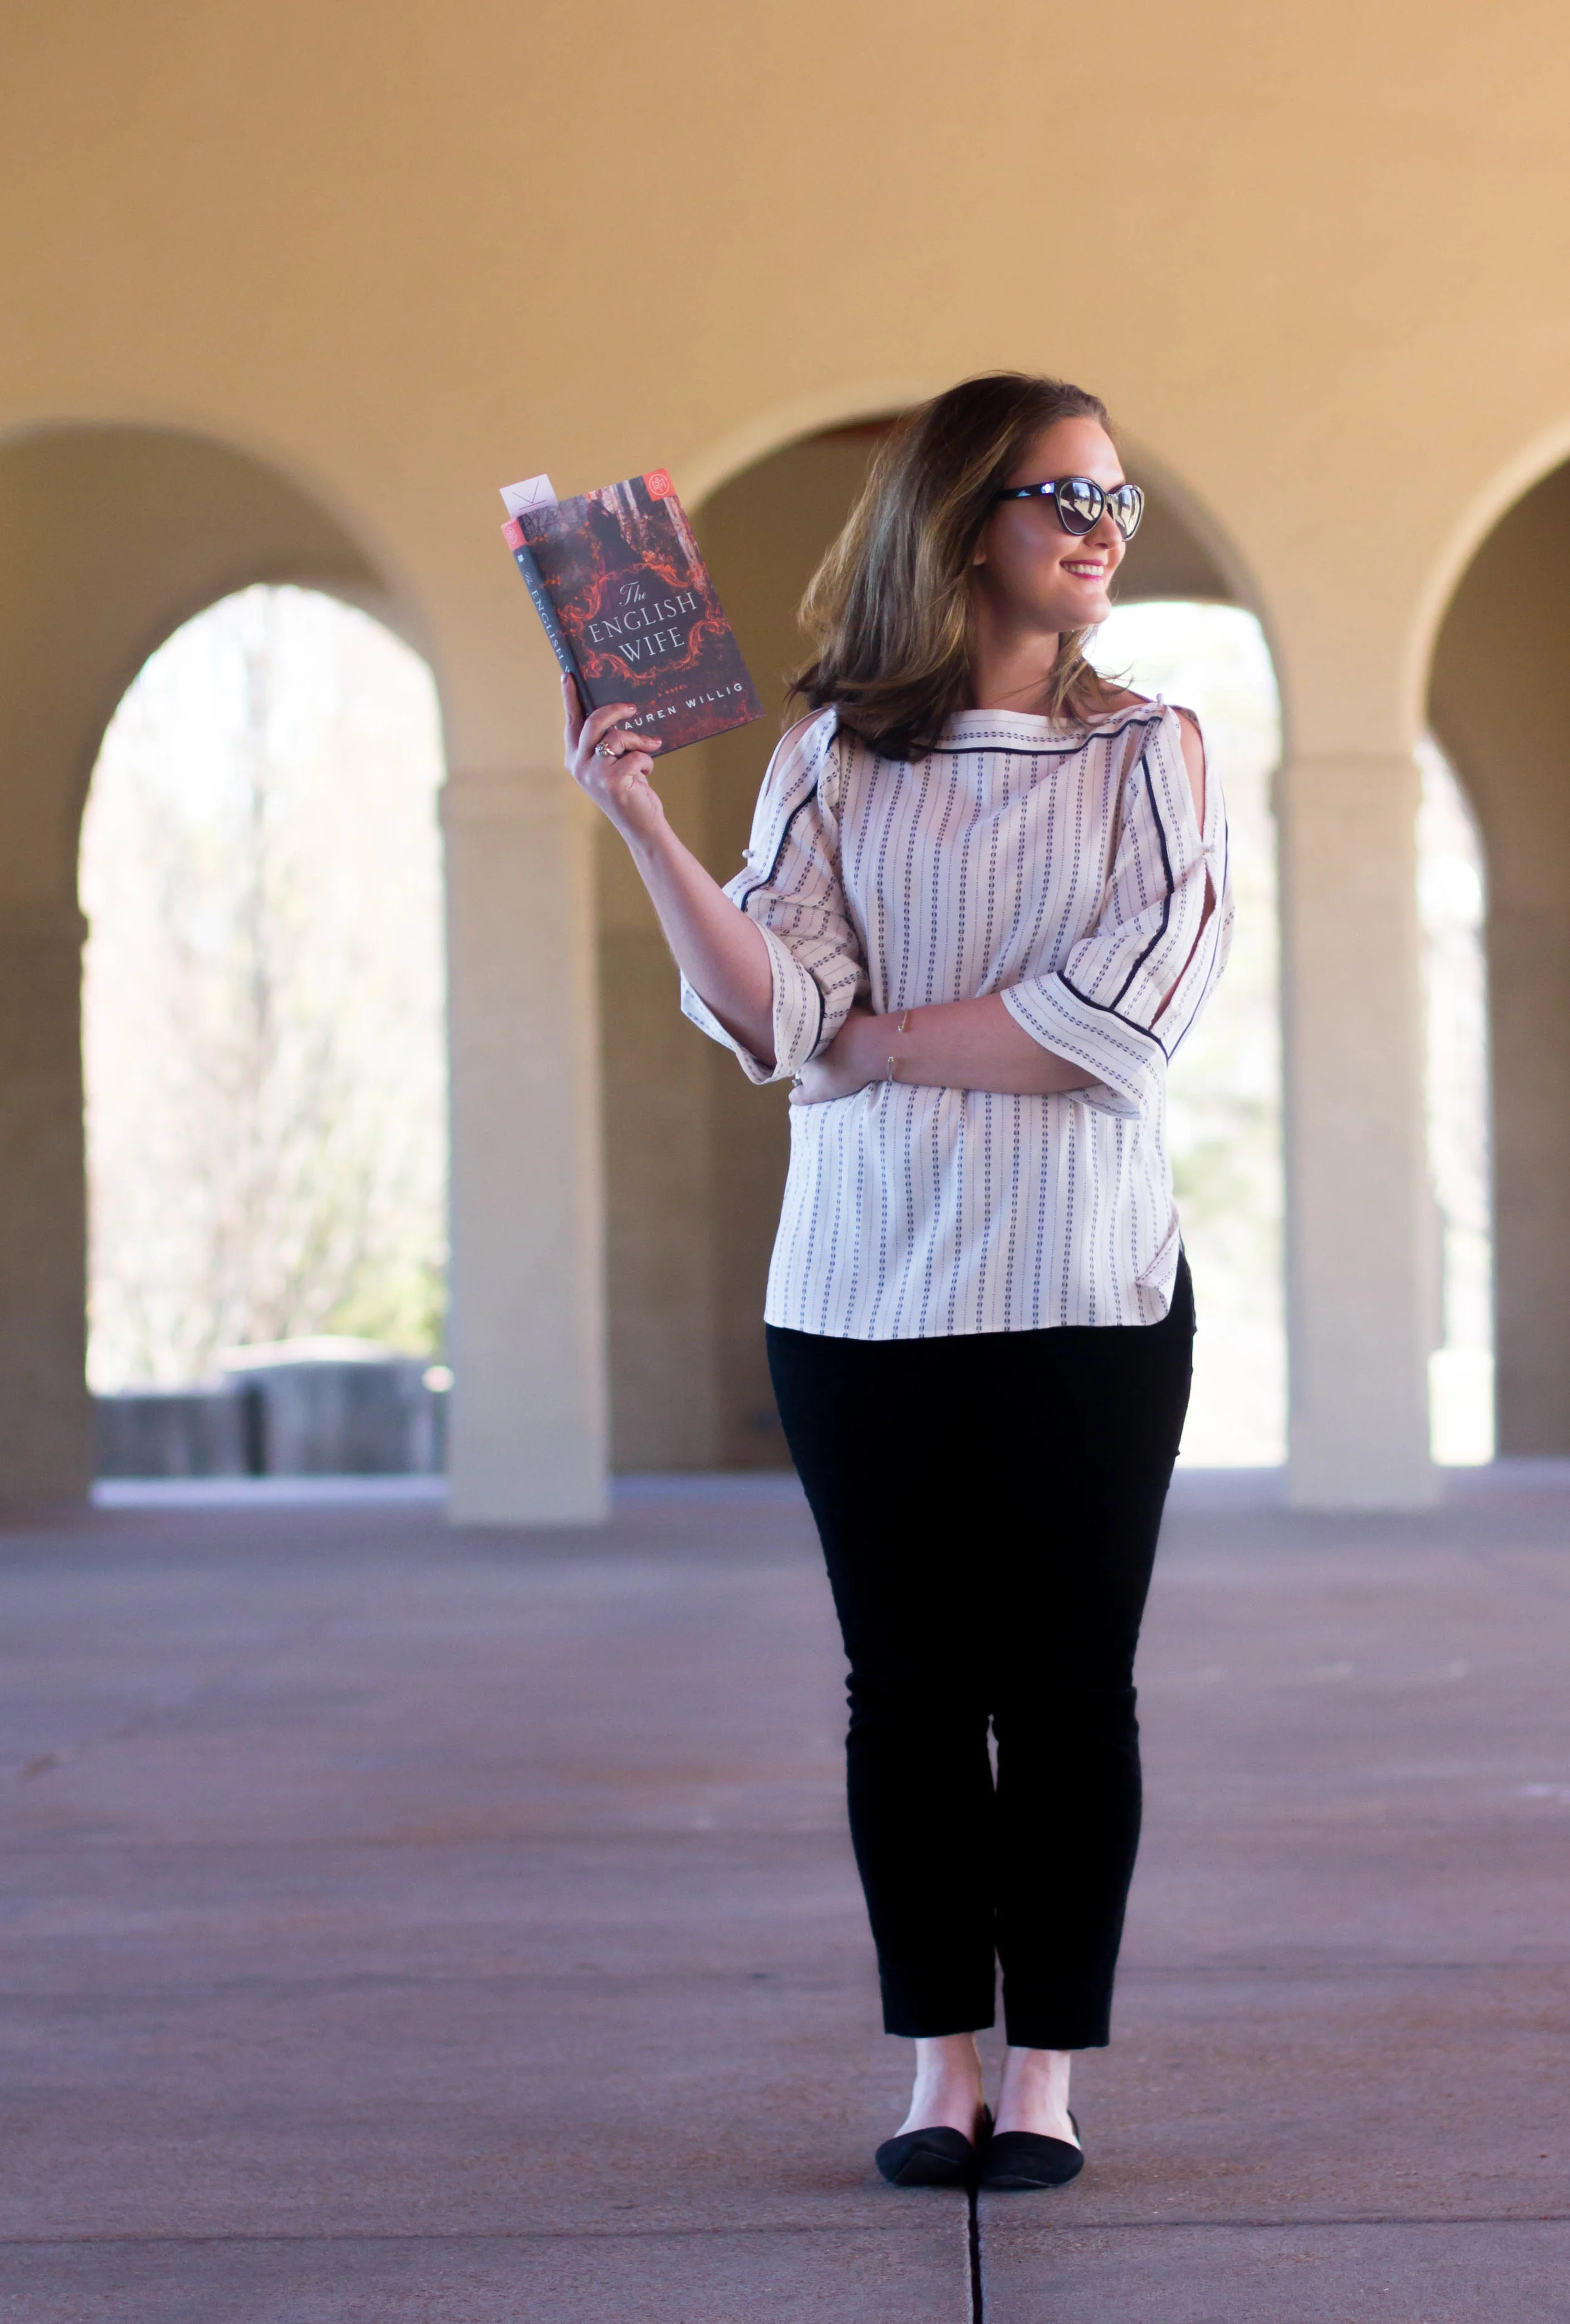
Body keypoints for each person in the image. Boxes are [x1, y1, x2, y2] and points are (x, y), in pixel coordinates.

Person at [561, 372, 1232, 2193]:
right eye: (1063, 496)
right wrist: (644, 827)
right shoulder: (828, 755)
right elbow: (775, 1013)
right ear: (962, 520)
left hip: (1086, 1293)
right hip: (858, 1299)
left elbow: (1126, 1017)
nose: (1100, 529)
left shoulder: (1151, 750)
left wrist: (877, 1041)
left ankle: (1048, 2079)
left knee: (1070, 1694)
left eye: (1115, 500)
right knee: (908, 1695)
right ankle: (941, 2069)